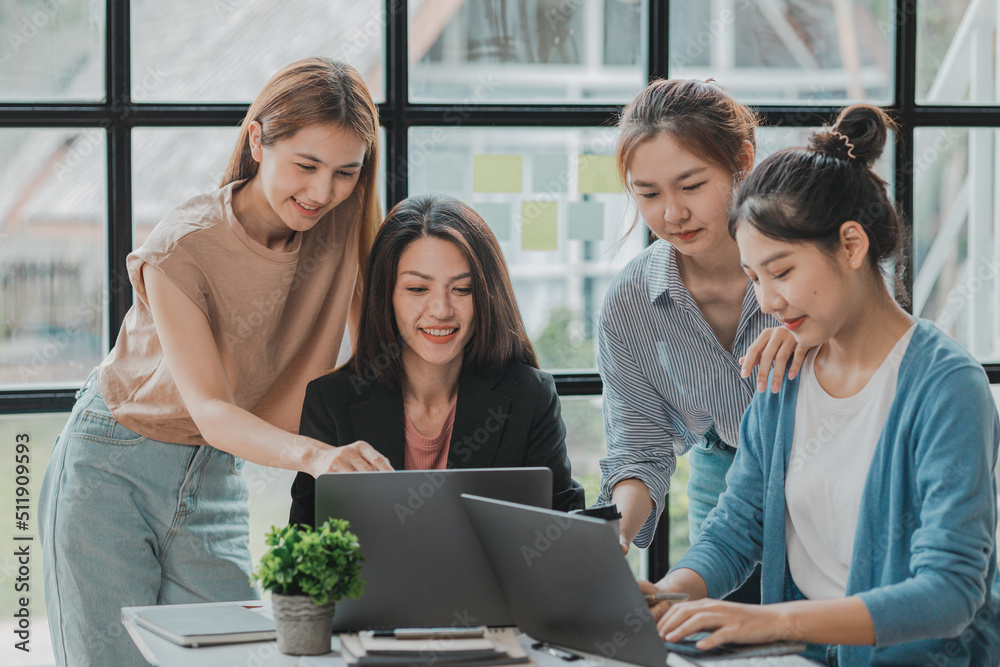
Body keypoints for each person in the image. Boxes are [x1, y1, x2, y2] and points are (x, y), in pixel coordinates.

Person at [39, 58, 388, 667]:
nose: (322, 192)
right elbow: (211, 409)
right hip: (111, 466)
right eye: (305, 166)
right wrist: (317, 456)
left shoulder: (344, 218)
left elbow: (373, 358)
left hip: (217, 474)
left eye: (344, 173)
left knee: (238, 657)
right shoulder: (181, 247)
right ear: (258, 139)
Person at [644, 104, 1000, 666]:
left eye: (782, 271)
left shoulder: (944, 386)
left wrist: (766, 621)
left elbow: (950, 593)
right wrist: (667, 596)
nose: (766, 302)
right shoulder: (784, 375)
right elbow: (738, 528)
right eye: (754, 277)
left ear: (852, 245)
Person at [596, 79, 803, 578]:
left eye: (691, 186)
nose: (673, 214)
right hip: (726, 480)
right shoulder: (630, 304)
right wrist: (613, 531)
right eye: (647, 193)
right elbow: (639, 444)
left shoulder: (812, 257)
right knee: (723, 643)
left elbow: (885, 347)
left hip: (837, 472)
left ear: (743, 161)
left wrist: (812, 335)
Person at [288, 195, 586, 526]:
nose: (441, 310)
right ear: (386, 296)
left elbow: (563, 523)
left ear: (487, 298)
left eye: (462, 289)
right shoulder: (331, 402)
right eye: (417, 289)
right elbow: (304, 547)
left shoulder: (529, 396)